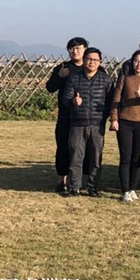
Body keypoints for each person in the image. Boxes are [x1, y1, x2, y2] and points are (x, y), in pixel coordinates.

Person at [61, 47, 114, 197]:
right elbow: (65, 99)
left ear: (100, 62)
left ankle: (93, 187)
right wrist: (73, 101)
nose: (92, 62)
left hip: (97, 125)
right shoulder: (74, 78)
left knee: (96, 158)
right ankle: (74, 187)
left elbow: (111, 102)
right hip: (77, 124)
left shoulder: (106, 80)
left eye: (95, 60)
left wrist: (105, 115)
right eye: (89, 59)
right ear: (84, 60)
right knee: (76, 156)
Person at [110, 50, 140, 203]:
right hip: (124, 121)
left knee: (137, 157)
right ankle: (124, 190)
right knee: (125, 157)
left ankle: (132, 188)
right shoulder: (124, 79)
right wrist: (114, 119)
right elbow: (116, 100)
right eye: (136, 61)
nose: (139, 64)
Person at [45, 37, 88, 193]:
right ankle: (62, 180)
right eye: (71, 48)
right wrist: (59, 76)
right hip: (65, 115)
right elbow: (50, 87)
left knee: (84, 149)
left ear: (85, 49)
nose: (74, 51)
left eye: (78, 48)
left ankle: (80, 180)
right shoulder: (62, 67)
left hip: (86, 116)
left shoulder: (91, 67)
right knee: (63, 147)